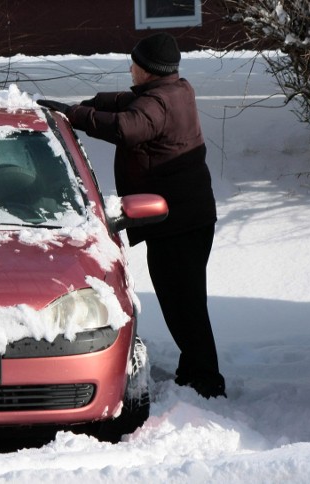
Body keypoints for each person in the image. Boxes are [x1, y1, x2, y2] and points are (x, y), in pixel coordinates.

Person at [37, 32, 226, 399]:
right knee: (185, 301)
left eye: (135, 64)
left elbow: (127, 126)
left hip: (178, 224)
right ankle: (195, 371)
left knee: (182, 303)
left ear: (149, 70)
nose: (130, 69)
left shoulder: (157, 105)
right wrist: (91, 103)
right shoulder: (177, 90)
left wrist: (76, 115)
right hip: (190, 218)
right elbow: (130, 103)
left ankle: (207, 382)